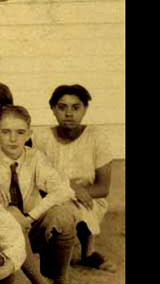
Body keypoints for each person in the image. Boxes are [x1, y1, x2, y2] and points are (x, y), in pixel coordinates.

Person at [0, 105, 87, 284]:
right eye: (6, 132)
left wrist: (30, 217)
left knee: (64, 214)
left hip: (30, 226)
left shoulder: (35, 157)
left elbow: (63, 190)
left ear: (29, 134)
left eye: (20, 132)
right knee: (11, 215)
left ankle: (61, 282)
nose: (13, 139)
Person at [33, 84, 116, 272]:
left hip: (89, 197)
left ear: (85, 109)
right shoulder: (42, 137)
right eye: (62, 107)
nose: (69, 113)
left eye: (75, 107)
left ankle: (88, 251)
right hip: (50, 193)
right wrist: (69, 187)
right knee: (58, 208)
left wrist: (77, 192)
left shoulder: (97, 137)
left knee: (75, 207)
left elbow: (103, 188)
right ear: (53, 109)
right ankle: (52, 252)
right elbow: (38, 176)